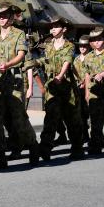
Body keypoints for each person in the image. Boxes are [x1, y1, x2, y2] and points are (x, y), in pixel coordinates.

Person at [0, 0, 38, 168]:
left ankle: (33, 146)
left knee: (18, 117)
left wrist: (8, 64)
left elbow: (21, 56)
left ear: (12, 17)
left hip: (14, 79)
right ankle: (0, 156)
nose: (2, 19)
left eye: (5, 16)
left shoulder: (19, 34)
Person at [36, 16, 84, 162]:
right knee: (50, 117)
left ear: (64, 29)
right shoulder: (48, 45)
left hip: (66, 87)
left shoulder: (69, 46)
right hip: (52, 86)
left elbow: (67, 62)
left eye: (56, 26)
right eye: (51, 27)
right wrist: (34, 63)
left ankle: (77, 148)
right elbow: (45, 61)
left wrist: (61, 76)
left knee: (72, 119)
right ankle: (45, 149)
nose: (53, 29)